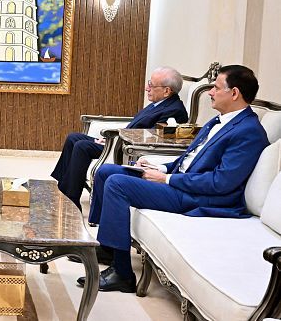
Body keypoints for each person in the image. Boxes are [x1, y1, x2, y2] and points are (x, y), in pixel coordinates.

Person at [82, 65, 269, 293]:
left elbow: (220, 183)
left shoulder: (248, 131)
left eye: (216, 87)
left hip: (198, 197)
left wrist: (167, 179)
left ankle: (122, 274)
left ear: (234, 93)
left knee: (117, 184)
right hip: (184, 183)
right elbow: (190, 159)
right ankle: (108, 247)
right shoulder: (220, 120)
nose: (210, 92)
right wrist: (160, 166)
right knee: (106, 172)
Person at [51, 66, 189, 210]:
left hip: (127, 149)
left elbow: (152, 137)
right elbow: (135, 127)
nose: (147, 88)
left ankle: (72, 201)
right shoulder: (158, 104)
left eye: (152, 85)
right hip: (121, 141)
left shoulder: (175, 111)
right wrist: (109, 140)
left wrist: (114, 140)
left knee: (82, 146)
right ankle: (62, 189)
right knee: (73, 138)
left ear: (167, 91)